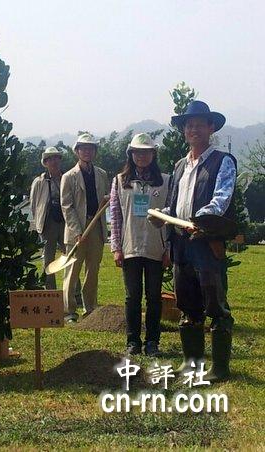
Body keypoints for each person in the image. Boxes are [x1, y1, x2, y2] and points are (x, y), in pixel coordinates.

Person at [150, 100, 237, 382]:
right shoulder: (178, 166)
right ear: (184, 130)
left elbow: (221, 200)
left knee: (215, 305)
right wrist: (163, 215)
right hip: (181, 243)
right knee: (187, 305)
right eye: (189, 125)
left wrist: (199, 220)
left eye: (199, 124)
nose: (193, 129)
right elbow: (173, 203)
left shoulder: (222, 161)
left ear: (211, 127)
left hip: (206, 242)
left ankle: (220, 368)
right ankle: (193, 364)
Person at [110, 133, 170, 356]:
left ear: (153, 154)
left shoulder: (166, 181)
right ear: (131, 154)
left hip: (156, 247)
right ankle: (133, 341)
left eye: (146, 152)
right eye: (137, 152)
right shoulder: (119, 181)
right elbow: (115, 217)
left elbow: (171, 219)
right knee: (132, 297)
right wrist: (116, 247)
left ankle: (152, 341)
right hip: (130, 247)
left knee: (154, 297)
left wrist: (168, 250)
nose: (141, 156)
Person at [60, 133, 109, 322]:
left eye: (90, 148)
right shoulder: (68, 177)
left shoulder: (102, 174)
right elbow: (67, 206)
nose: (87, 151)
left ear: (94, 151)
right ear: (77, 152)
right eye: (83, 148)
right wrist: (77, 231)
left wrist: (107, 199)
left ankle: (90, 308)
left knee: (92, 270)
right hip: (76, 230)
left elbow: (105, 197)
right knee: (72, 271)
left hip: (96, 226)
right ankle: (69, 311)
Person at [30, 147, 82, 300]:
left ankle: (74, 294)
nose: (54, 161)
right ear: (45, 163)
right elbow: (34, 204)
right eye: (50, 159)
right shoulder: (39, 181)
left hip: (66, 223)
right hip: (48, 224)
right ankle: (51, 293)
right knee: (48, 258)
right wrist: (40, 221)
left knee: (71, 257)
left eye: (56, 158)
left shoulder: (68, 178)